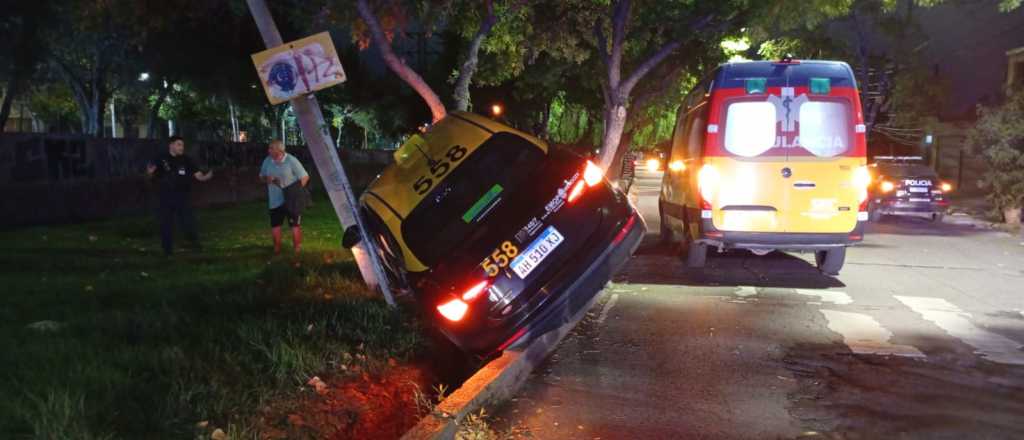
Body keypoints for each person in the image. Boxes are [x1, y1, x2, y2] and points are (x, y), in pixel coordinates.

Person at [146, 136, 213, 256]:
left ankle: (194, 246)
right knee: (166, 223)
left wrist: (206, 177)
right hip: (165, 196)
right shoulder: (161, 158)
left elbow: (198, 176)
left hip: (182, 196)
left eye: (182, 145)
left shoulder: (186, 159)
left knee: (188, 221)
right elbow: (151, 174)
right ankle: (167, 250)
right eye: (179, 145)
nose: (181, 147)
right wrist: (150, 173)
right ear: (171, 145)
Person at [259, 140, 310, 254]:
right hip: (274, 200)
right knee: (275, 226)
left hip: (291, 200)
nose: (269, 150)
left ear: (279, 150)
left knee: (295, 226)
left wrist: (294, 192)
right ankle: (277, 250)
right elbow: (261, 177)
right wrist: (266, 179)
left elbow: (305, 177)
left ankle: (297, 252)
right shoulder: (268, 161)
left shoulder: (291, 161)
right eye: (269, 148)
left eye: (271, 148)